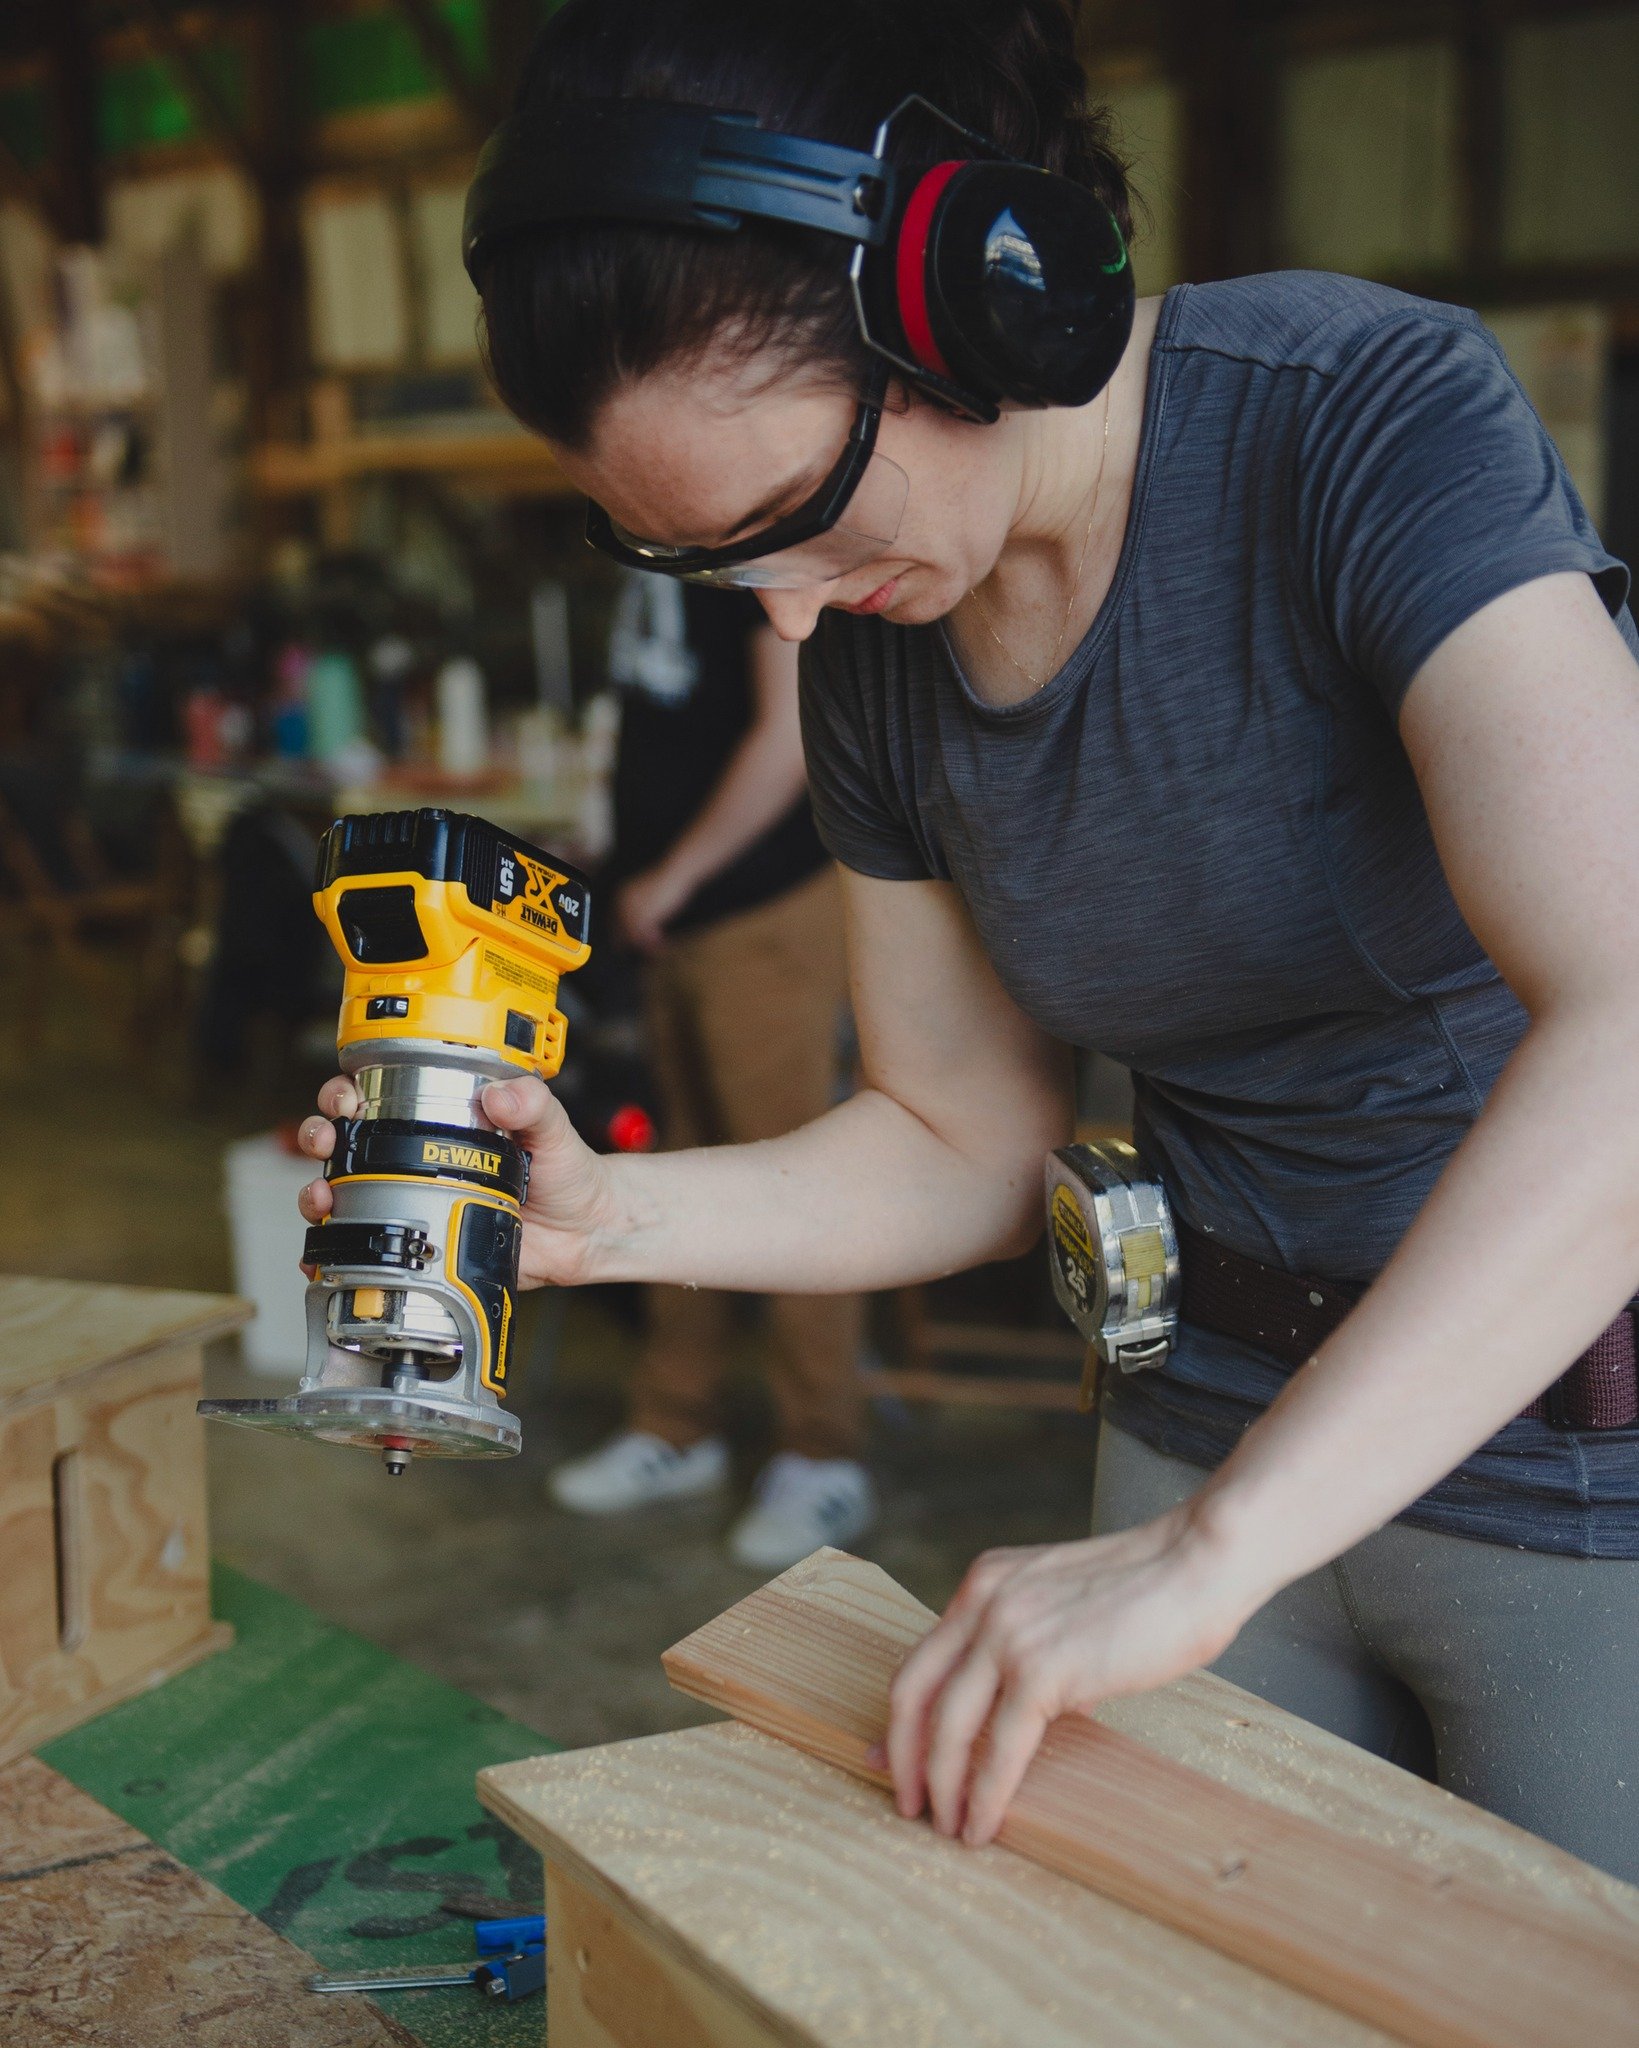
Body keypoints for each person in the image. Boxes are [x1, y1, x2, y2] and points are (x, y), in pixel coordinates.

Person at [297, 0, 1639, 1882]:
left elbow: (1624, 1022)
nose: (780, 622)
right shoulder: (872, 644)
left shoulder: (1355, 415)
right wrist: (608, 1220)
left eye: (794, 518)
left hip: (1578, 1459)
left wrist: (1209, 1554)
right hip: (1199, 1411)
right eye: (705, 561)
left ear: (986, 300)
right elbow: (954, 1135)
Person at [549, 570, 871, 1568]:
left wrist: (677, 870)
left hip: (759, 906)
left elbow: (789, 736)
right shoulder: (647, 533)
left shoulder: (749, 537)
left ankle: (824, 1456)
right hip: (674, 918)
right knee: (674, 1165)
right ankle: (675, 1423)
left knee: (796, 1177)